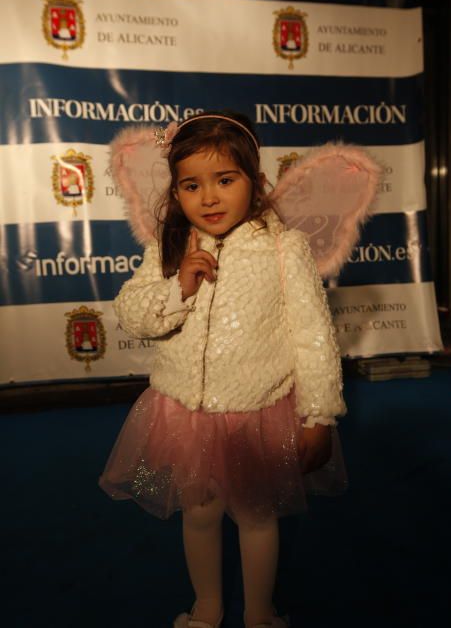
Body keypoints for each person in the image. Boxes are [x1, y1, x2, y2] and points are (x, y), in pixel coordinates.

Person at [99, 111, 346, 628]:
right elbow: (133, 313)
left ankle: (259, 612)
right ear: (176, 190)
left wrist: (319, 414)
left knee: (257, 518)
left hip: (257, 415)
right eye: (191, 185)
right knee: (201, 513)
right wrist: (177, 288)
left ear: (255, 184)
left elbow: (314, 335)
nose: (208, 198)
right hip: (184, 414)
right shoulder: (168, 247)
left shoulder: (285, 249)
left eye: (225, 180)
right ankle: (207, 606)